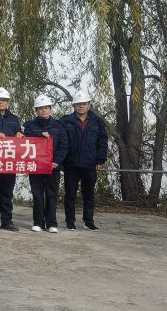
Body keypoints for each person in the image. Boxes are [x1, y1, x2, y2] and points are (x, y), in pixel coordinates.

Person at [60, 90, 108, 231]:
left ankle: (88, 222)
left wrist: (100, 160)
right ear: (74, 105)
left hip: (90, 164)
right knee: (70, 195)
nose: (81, 106)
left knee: (89, 195)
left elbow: (102, 142)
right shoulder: (65, 121)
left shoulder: (97, 121)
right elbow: (59, 139)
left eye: (84, 103)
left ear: (88, 105)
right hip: (71, 164)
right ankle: (70, 222)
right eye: (78, 104)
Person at [24, 95, 69, 233]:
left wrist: (57, 161)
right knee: (37, 195)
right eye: (40, 108)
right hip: (36, 166)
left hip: (52, 167)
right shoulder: (29, 126)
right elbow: (26, 142)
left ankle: (51, 223)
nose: (43, 111)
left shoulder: (59, 126)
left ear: (50, 109)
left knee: (51, 195)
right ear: (36, 110)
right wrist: (40, 136)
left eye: (46, 108)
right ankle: (38, 222)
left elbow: (64, 146)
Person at [0, 87, 24, 231]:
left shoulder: (13, 119)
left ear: (8, 102)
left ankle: (7, 221)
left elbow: (19, 135)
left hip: (9, 162)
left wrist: (20, 135)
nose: (0, 102)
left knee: (7, 193)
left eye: (3, 100)